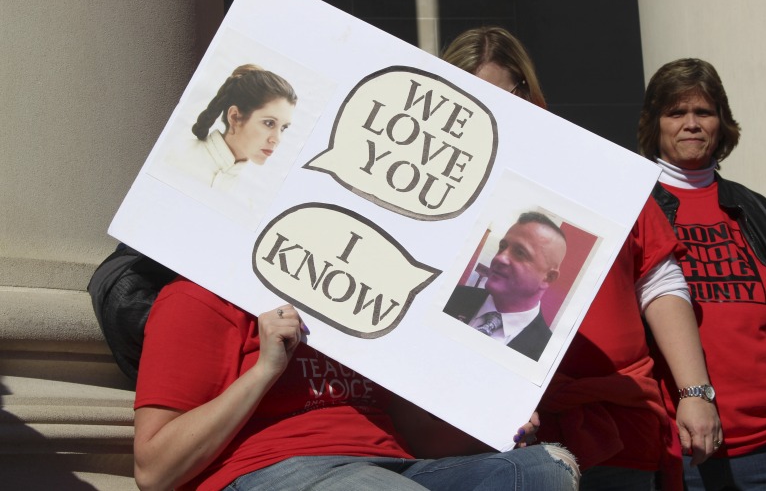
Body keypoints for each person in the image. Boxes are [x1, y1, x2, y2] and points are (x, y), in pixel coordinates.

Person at [442, 26, 721, 490]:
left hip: (612, 423)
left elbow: (658, 280)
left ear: (528, 93)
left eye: (500, 96)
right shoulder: (441, 190)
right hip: (492, 435)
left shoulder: (597, 166)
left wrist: (696, 393)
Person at [133, 277, 580, 490]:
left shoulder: (366, 301)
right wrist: (265, 371)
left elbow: (413, 434)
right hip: (275, 471)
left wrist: (495, 424)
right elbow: (154, 472)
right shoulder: (197, 296)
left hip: (394, 466)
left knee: (545, 471)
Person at [639, 57, 766, 490]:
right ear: (654, 124)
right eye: (676, 112)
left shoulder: (763, 213)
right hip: (681, 449)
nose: (691, 123)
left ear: (722, 123)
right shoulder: (630, 207)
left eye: (704, 112)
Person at [444, 211, 568, 361]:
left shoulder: (546, 355)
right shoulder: (449, 296)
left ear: (548, 277)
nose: (500, 258)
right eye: (502, 247)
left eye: (520, 253)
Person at [163, 63, 297, 192]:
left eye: (283, 128)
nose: (277, 139)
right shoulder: (173, 154)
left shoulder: (247, 199)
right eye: (269, 123)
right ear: (234, 117)